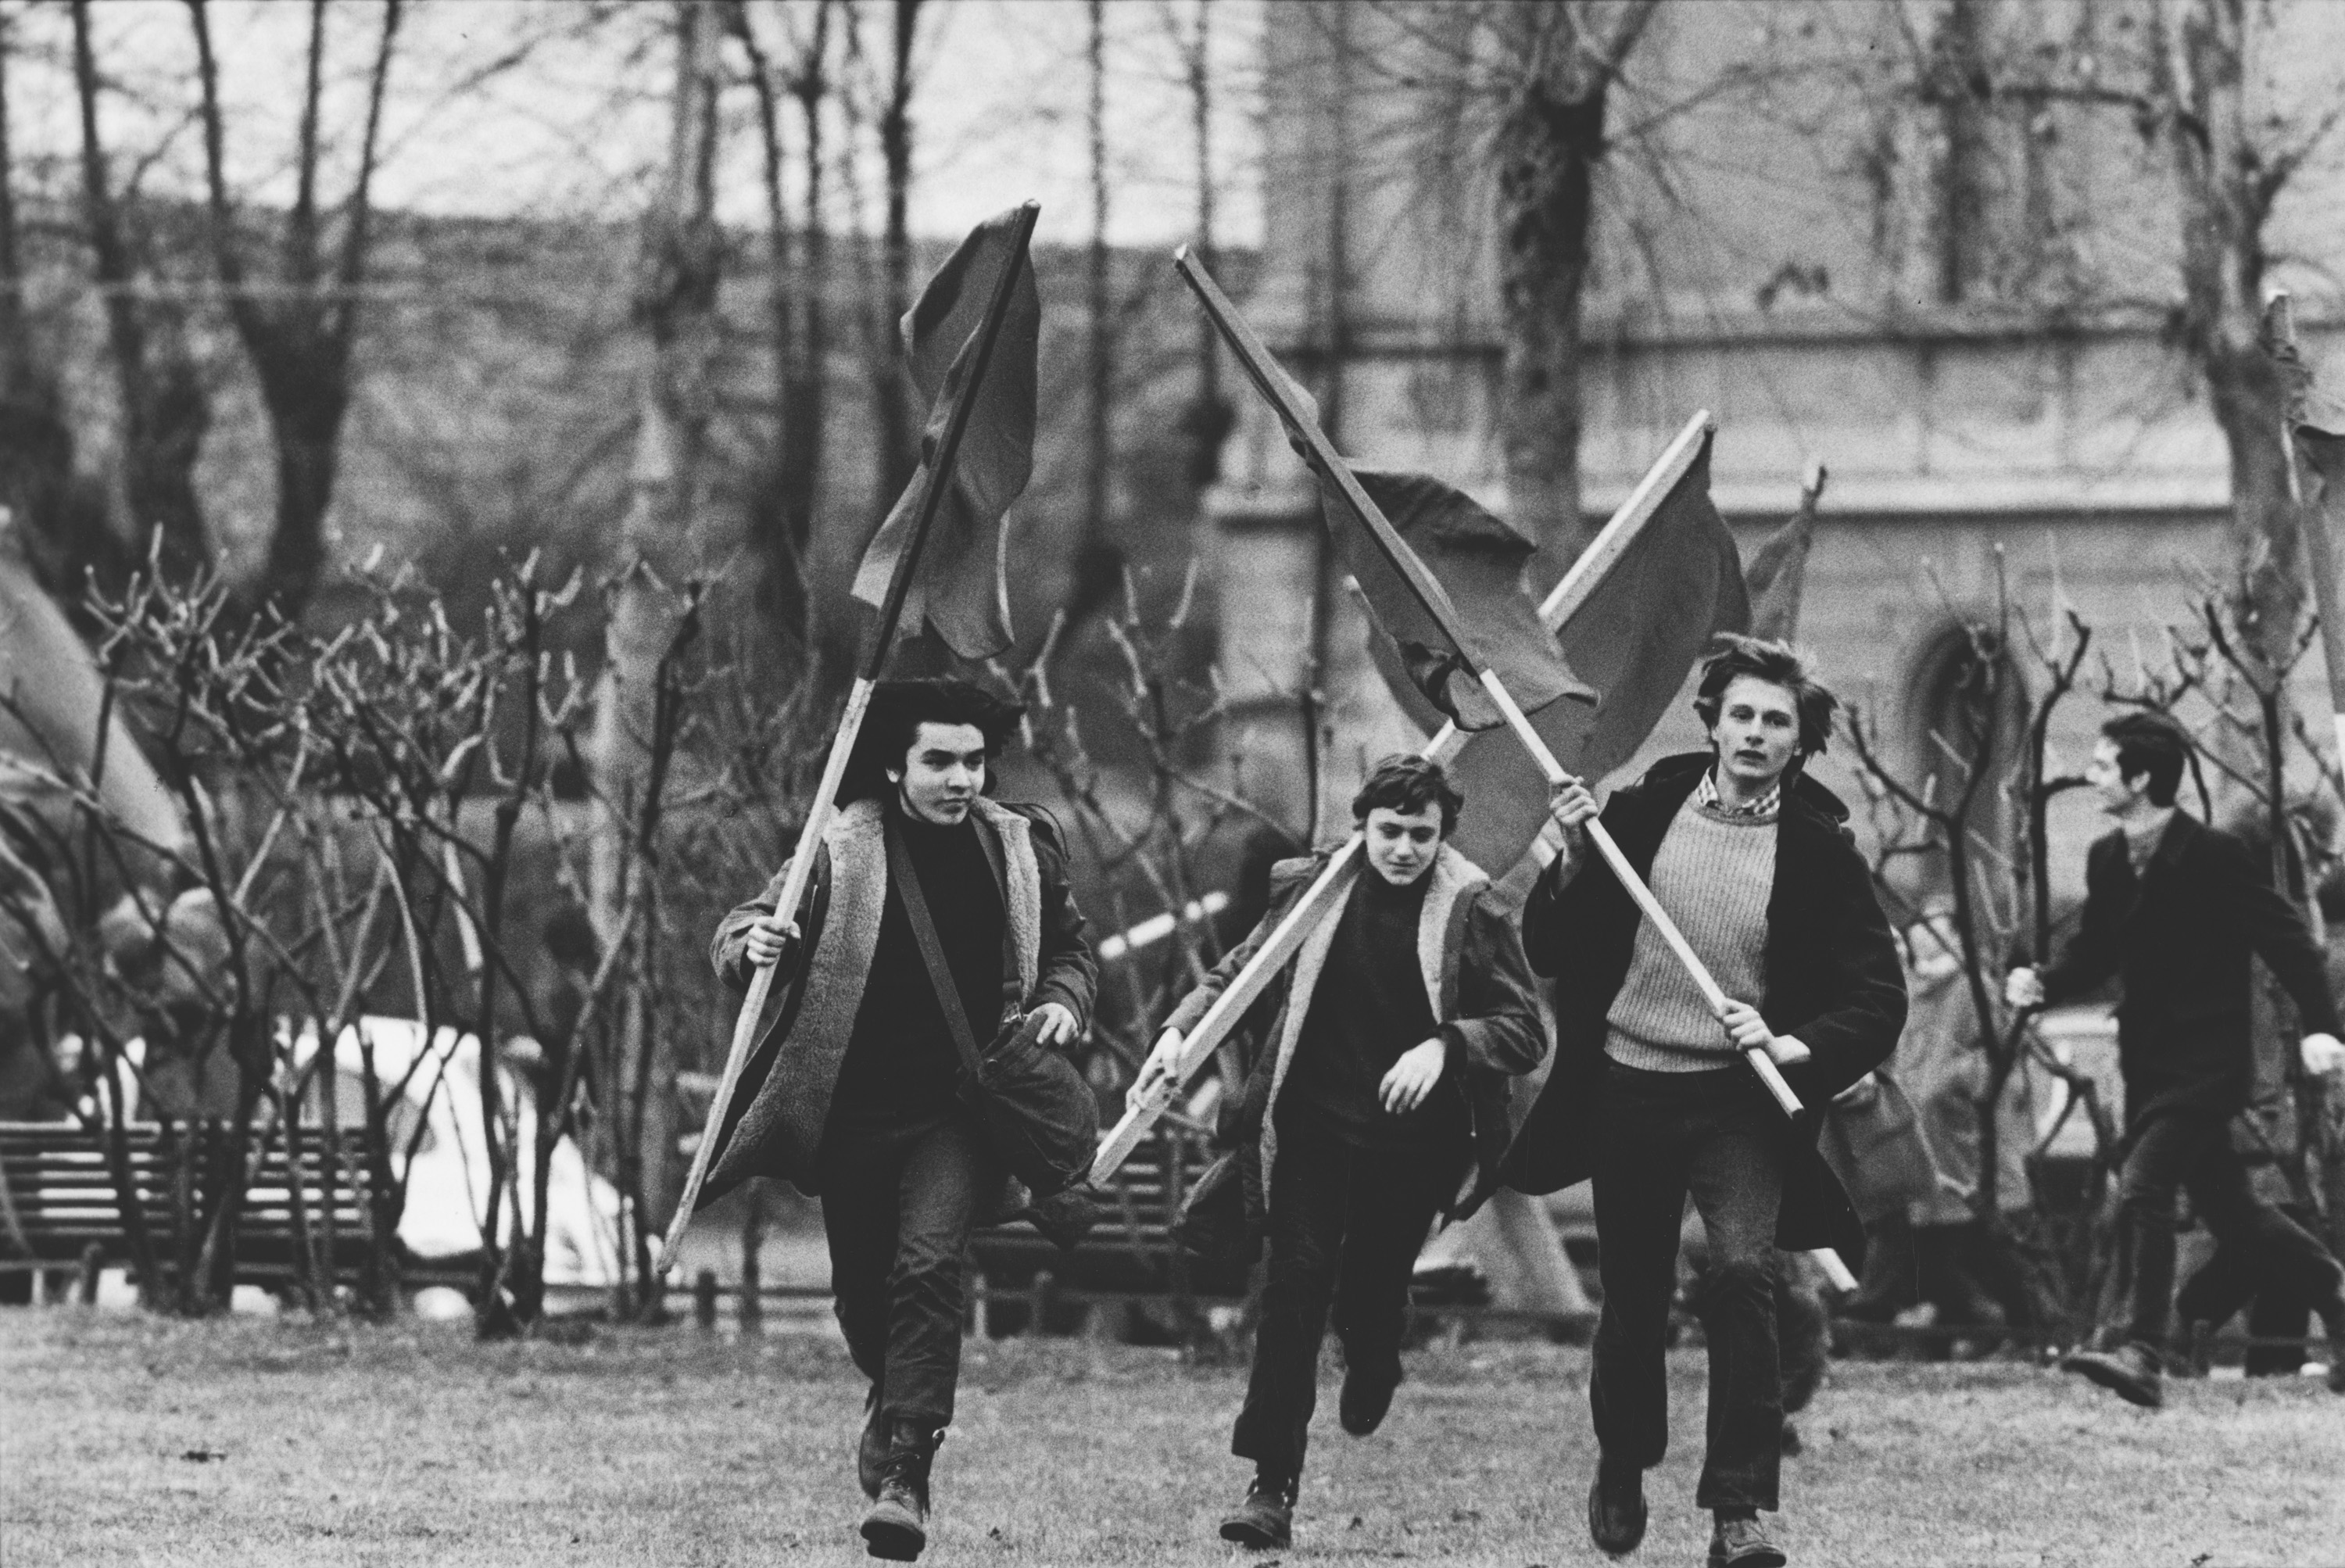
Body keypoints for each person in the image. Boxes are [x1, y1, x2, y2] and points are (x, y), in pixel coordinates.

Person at [1501, 636, 1906, 1568]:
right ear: (1713, 721)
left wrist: (1793, 1043)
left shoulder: (1820, 851)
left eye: (1779, 721)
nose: (1758, 733)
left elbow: (1878, 998)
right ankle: (1623, 1458)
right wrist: (1569, 856)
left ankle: (1738, 1511)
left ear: (1801, 741)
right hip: (1631, 1086)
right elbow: (1556, 947)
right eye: (1744, 714)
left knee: (1742, 1276)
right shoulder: (1637, 816)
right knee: (1636, 1300)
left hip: (1742, 1104)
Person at [707, 678, 1096, 1563]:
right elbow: (741, 926)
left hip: (959, 1108)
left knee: (929, 1265)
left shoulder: (1018, 847)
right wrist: (752, 943)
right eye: (939, 760)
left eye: (973, 760)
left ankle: (906, 1474)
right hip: (853, 1113)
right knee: (862, 1294)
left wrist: (1065, 1000)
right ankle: (897, 1399)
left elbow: (1072, 949)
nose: (962, 778)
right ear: (894, 764)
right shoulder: (839, 848)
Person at [1128, 754, 1545, 1552]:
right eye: (1389, 831)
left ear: (1441, 835)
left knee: (1371, 1290)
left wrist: (1448, 1045)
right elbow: (1240, 971)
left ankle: (1377, 1348)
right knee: (1293, 1289)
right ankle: (1271, 1484)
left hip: (1411, 1146)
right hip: (1314, 1130)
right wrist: (1180, 1030)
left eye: (1421, 834)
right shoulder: (1312, 891)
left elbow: (1525, 1029)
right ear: (1363, 825)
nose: (1402, 848)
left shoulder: (1474, 910)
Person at [2006, 711, 2345, 1407]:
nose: (2091, 775)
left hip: (2210, 1066)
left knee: (2144, 1186)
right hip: (2151, 1065)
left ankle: (2144, 1351)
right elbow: (2098, 950)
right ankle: (2339, 1301)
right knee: (2238, 1219)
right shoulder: (2106, 857)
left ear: (2140, 778)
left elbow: (2288, 941)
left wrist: (2321, 1025)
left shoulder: (2216, 857)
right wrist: (2044, 981)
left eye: (2103, 765)